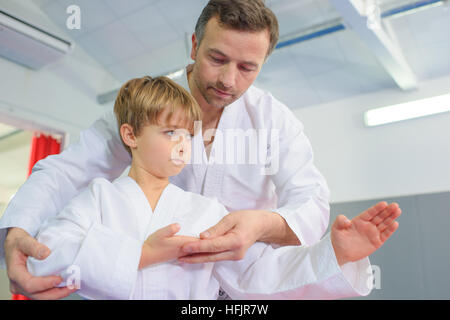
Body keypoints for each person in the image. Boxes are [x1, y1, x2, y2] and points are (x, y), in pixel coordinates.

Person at [0, 0, 384, 299]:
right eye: (217, 59)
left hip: (240, 279)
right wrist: (19, 230)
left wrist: (261, 225)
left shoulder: (273, 121)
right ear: (195, 44)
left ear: (264, 63)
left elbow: (310, 201)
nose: (228, 80)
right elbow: (68, 171)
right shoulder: (148, 105)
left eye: (247, 67)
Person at [26, 76, 401, 300]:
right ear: (131, 135)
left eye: (188, 134)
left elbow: (260, 273)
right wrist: (142, 254)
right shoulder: (97, 199)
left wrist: (334, 254)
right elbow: (45, 256)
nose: (182, 144)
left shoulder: (204, 212)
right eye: (169, 132)